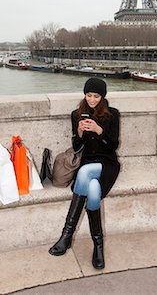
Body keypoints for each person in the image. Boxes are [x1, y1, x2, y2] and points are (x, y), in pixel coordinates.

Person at [49, 77, 120, 269]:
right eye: (89, 95)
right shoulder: (77, 114)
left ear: (102, 96)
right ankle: (98, 245)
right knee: (94, 189)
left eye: (96, 96)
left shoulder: (112, 114)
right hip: (87, 161)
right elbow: (76, 146)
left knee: (86, 173)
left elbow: (113, 145)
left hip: (107, 164)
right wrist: (79, 132)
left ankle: (66, 235)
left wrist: (99, 131)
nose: (92, 99)